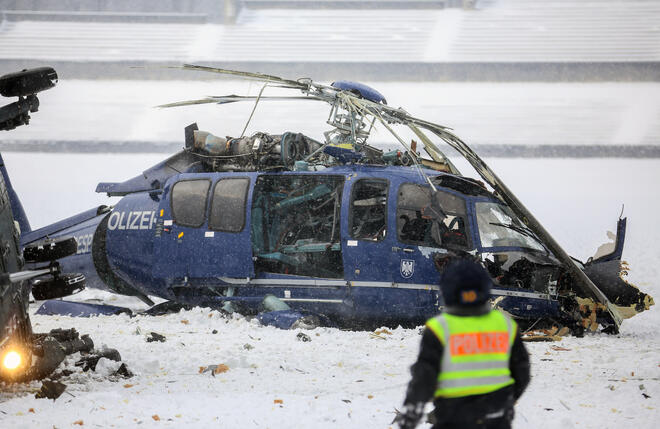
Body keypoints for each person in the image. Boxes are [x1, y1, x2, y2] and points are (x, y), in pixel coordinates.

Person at [396, 259, 530, 429]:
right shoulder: (505, 325)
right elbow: (522, 372)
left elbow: (425, 376)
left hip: (454, 416)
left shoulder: (439, 328)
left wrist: (412, 410)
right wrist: (507, 400)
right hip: (496, 416)